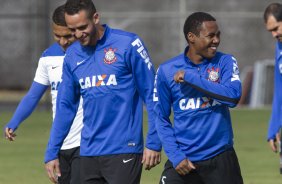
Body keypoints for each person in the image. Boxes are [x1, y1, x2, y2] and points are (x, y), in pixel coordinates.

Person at [44, 0, 161, 183]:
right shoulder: (72, 55)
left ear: (96, 18)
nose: (78, 34)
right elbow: (66, 107)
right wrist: (52, 152)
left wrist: (153, 142)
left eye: (83, 27)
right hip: (88, 151)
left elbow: (153, 95)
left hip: (124, 149)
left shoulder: (128, 44)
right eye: (72, 29)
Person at [154, 12, 244, 184]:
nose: (216, 40)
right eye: (210, 36)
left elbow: (232, 97)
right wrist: (175, 156)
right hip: (184, 160)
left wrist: (191, 78)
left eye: (218, 35)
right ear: (191, 37)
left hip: (221, 160)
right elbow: (161, 117)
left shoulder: (225, 61)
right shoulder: (166, 70)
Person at [4, 5, 83, 184]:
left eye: (68, 36)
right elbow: (33, 95)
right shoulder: (48, 57)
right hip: (61, 141)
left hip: (88, 142)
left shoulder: (91, 55)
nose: (63, 42)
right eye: (58, 36)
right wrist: (14, 121)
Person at [264, 3, 282, 154]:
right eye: (271, 31)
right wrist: (274, 127)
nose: (274, 35)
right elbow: (279, 89)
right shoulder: (279, 46)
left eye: (276, 28)